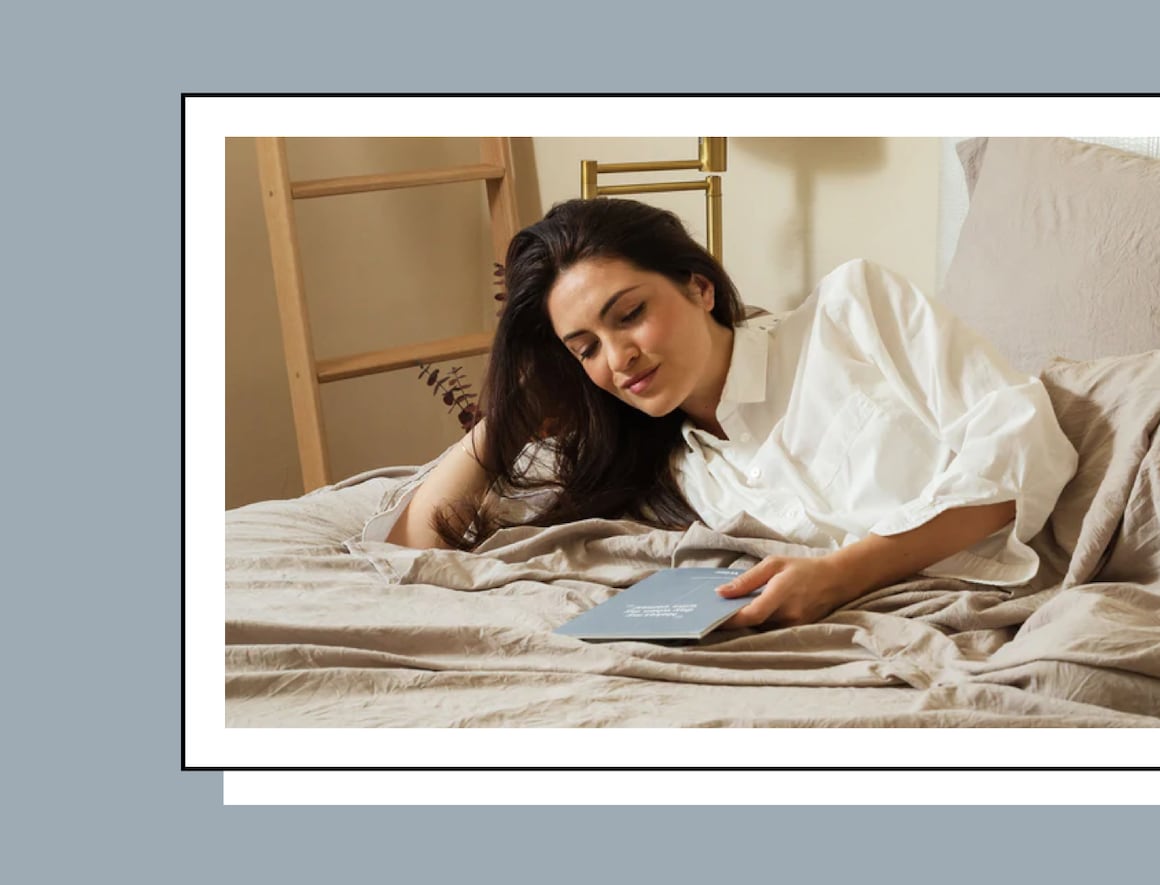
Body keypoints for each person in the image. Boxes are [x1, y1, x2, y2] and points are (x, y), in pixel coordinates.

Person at [380, 198, 1078, 629]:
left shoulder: (853, 312)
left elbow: (1020, 447)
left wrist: (844, 573)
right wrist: (515, 411)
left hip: (1017, 594)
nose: (618, 358)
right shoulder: (671, 470)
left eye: (630, 315)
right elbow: (416, 544)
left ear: (698, 287)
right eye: (586, 347)